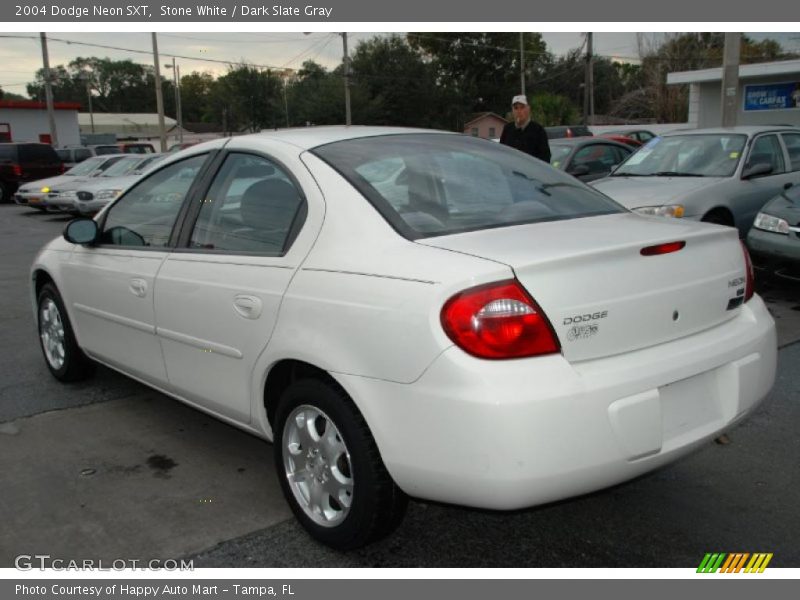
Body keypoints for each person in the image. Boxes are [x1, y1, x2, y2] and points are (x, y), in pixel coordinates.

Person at [499, 94, 551, 162]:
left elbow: (545, 156)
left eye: (522, 107)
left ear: (528, 109)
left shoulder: (538, 130)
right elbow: (501, 152)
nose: (519, 111)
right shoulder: (508, 129)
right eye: (516, 108)